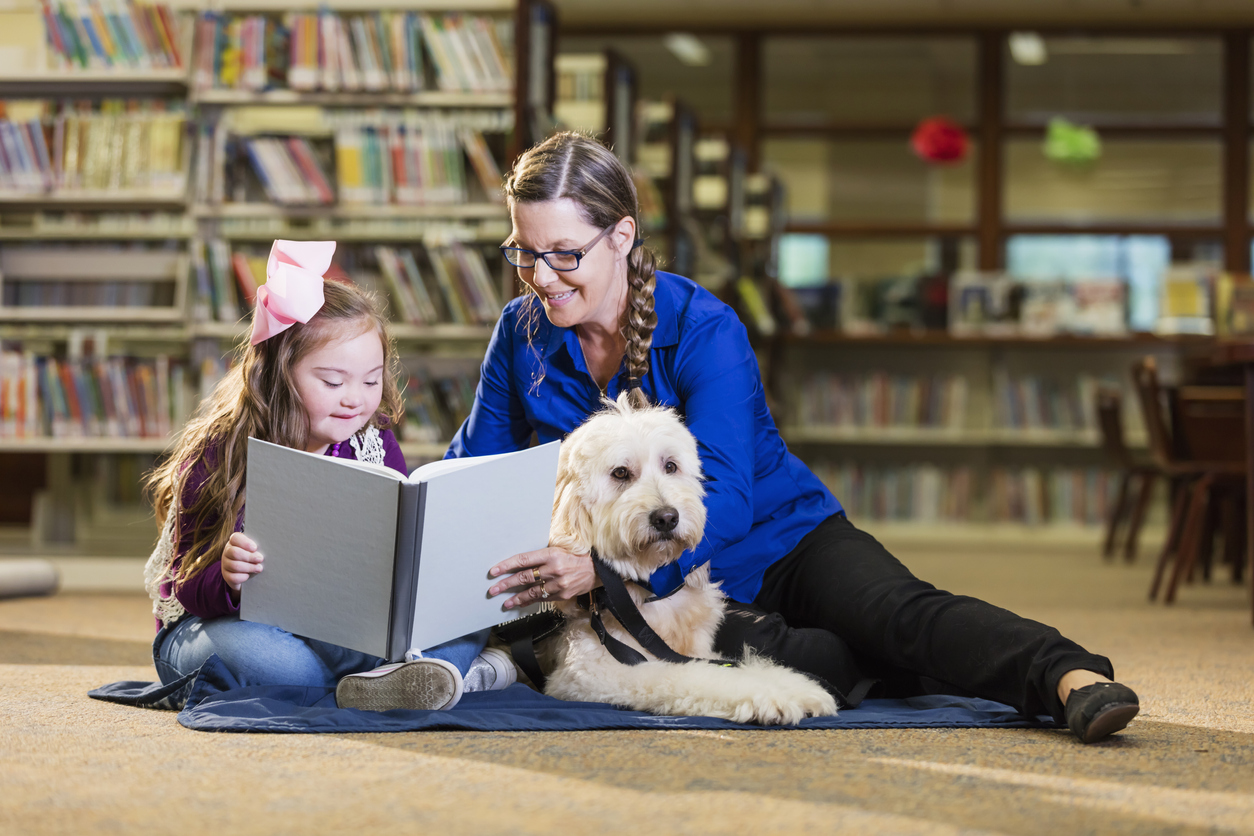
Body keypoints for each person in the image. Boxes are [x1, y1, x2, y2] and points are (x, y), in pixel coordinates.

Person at [455, 132, 1138, 743]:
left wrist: (601, 574)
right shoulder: (521, 335)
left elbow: (728, 494)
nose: (541, 277)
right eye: (525, 253)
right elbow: (475, 466)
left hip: (780, 537)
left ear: (623, 237)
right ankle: (870, 663)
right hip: (669, 590)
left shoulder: (705, 327)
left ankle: (1067, 676)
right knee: (820, 660)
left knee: (891, 615)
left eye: (564, 254)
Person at [143, 240, 513, 711]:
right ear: (279, 373)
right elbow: (186, 586)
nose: (356, 399)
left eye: (372, 379)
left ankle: (388, 676)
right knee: (270, 661)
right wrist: (230, 579)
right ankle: (417, 678)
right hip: (222, 622)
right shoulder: (220, 454)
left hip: (336, 625)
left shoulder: (373, 444)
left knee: (465, 612)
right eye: (333, 382)